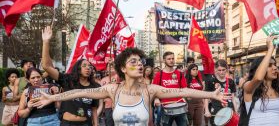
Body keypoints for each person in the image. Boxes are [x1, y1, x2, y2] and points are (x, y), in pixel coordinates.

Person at [35, 47, 227, 126]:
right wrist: (53, 98)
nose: (140, 65)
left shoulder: (149, 90)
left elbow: (183, 91)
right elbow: (81, 91)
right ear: (123, 68)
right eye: (133, 62)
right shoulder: (113, 89)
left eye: (141, 61)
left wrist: (211, 94)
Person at [41, 26, 99, 126]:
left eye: (90, 66)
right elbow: (46, 66)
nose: (88, 68)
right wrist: (46, 42)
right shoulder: (67, 80)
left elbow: (93, 109)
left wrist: (96, 124)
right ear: (78, 68)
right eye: (84, 65)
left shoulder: (95, 86)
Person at [240, 35, 279, 126]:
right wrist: (270, 49)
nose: (275, 68)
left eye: (275, 65)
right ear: (259, 68)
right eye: (269, 65)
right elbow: (258, 78)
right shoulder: (249, 87)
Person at [152, 51, 188, 126]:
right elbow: (153, 90)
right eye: (169, 59)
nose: (171, 60)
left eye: (172, 58)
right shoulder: (159, 75)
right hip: (165, 107)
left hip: (179, 105)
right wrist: (156, 99)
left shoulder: (179, 74)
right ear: (164, 60)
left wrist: (185, 97)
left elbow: (185, 89)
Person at [204, 60, 237, 126]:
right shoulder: (211, 81)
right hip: (216, 111)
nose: (221, 72)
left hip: (229, 111)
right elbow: (206, 97)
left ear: (227, 69)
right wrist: (207, 110)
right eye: (219, 70)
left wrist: (236, 111)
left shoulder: (231, 82)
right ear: (216, 70)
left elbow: (233, 98)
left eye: (223, 69)